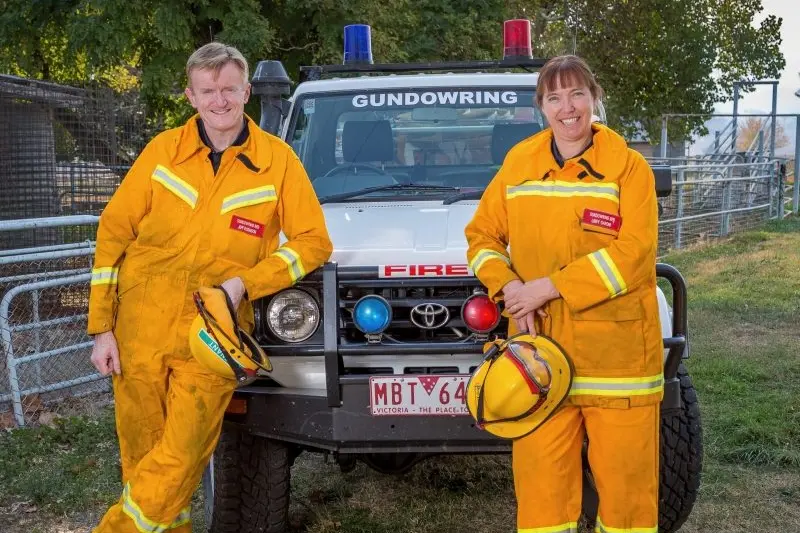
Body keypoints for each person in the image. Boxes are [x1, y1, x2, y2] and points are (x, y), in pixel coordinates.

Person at [87, 42, 333, 532]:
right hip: (139, 331)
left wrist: (248, 282)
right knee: (145, 465)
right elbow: (114, 232)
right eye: (207, 91)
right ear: (191, 96)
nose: (219, 100)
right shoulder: (163, 153)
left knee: (180, 457)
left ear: (245, 90)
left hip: (213, 333)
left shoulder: (277, 161)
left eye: (228, 89)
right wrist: (101, 328)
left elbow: (312, 242)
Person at [465, 55, 662, 533]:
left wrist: (546, 289)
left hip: (617, 367)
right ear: (541, 107)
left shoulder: (629, 169)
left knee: (628, 504)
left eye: (576, 94)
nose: (567, 107)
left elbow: (634, 254)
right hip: (537, 362)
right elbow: (481, 237)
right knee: (541, 501)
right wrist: (510, 287)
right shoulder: (520, 163)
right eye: (554, 97)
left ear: (595, 99)